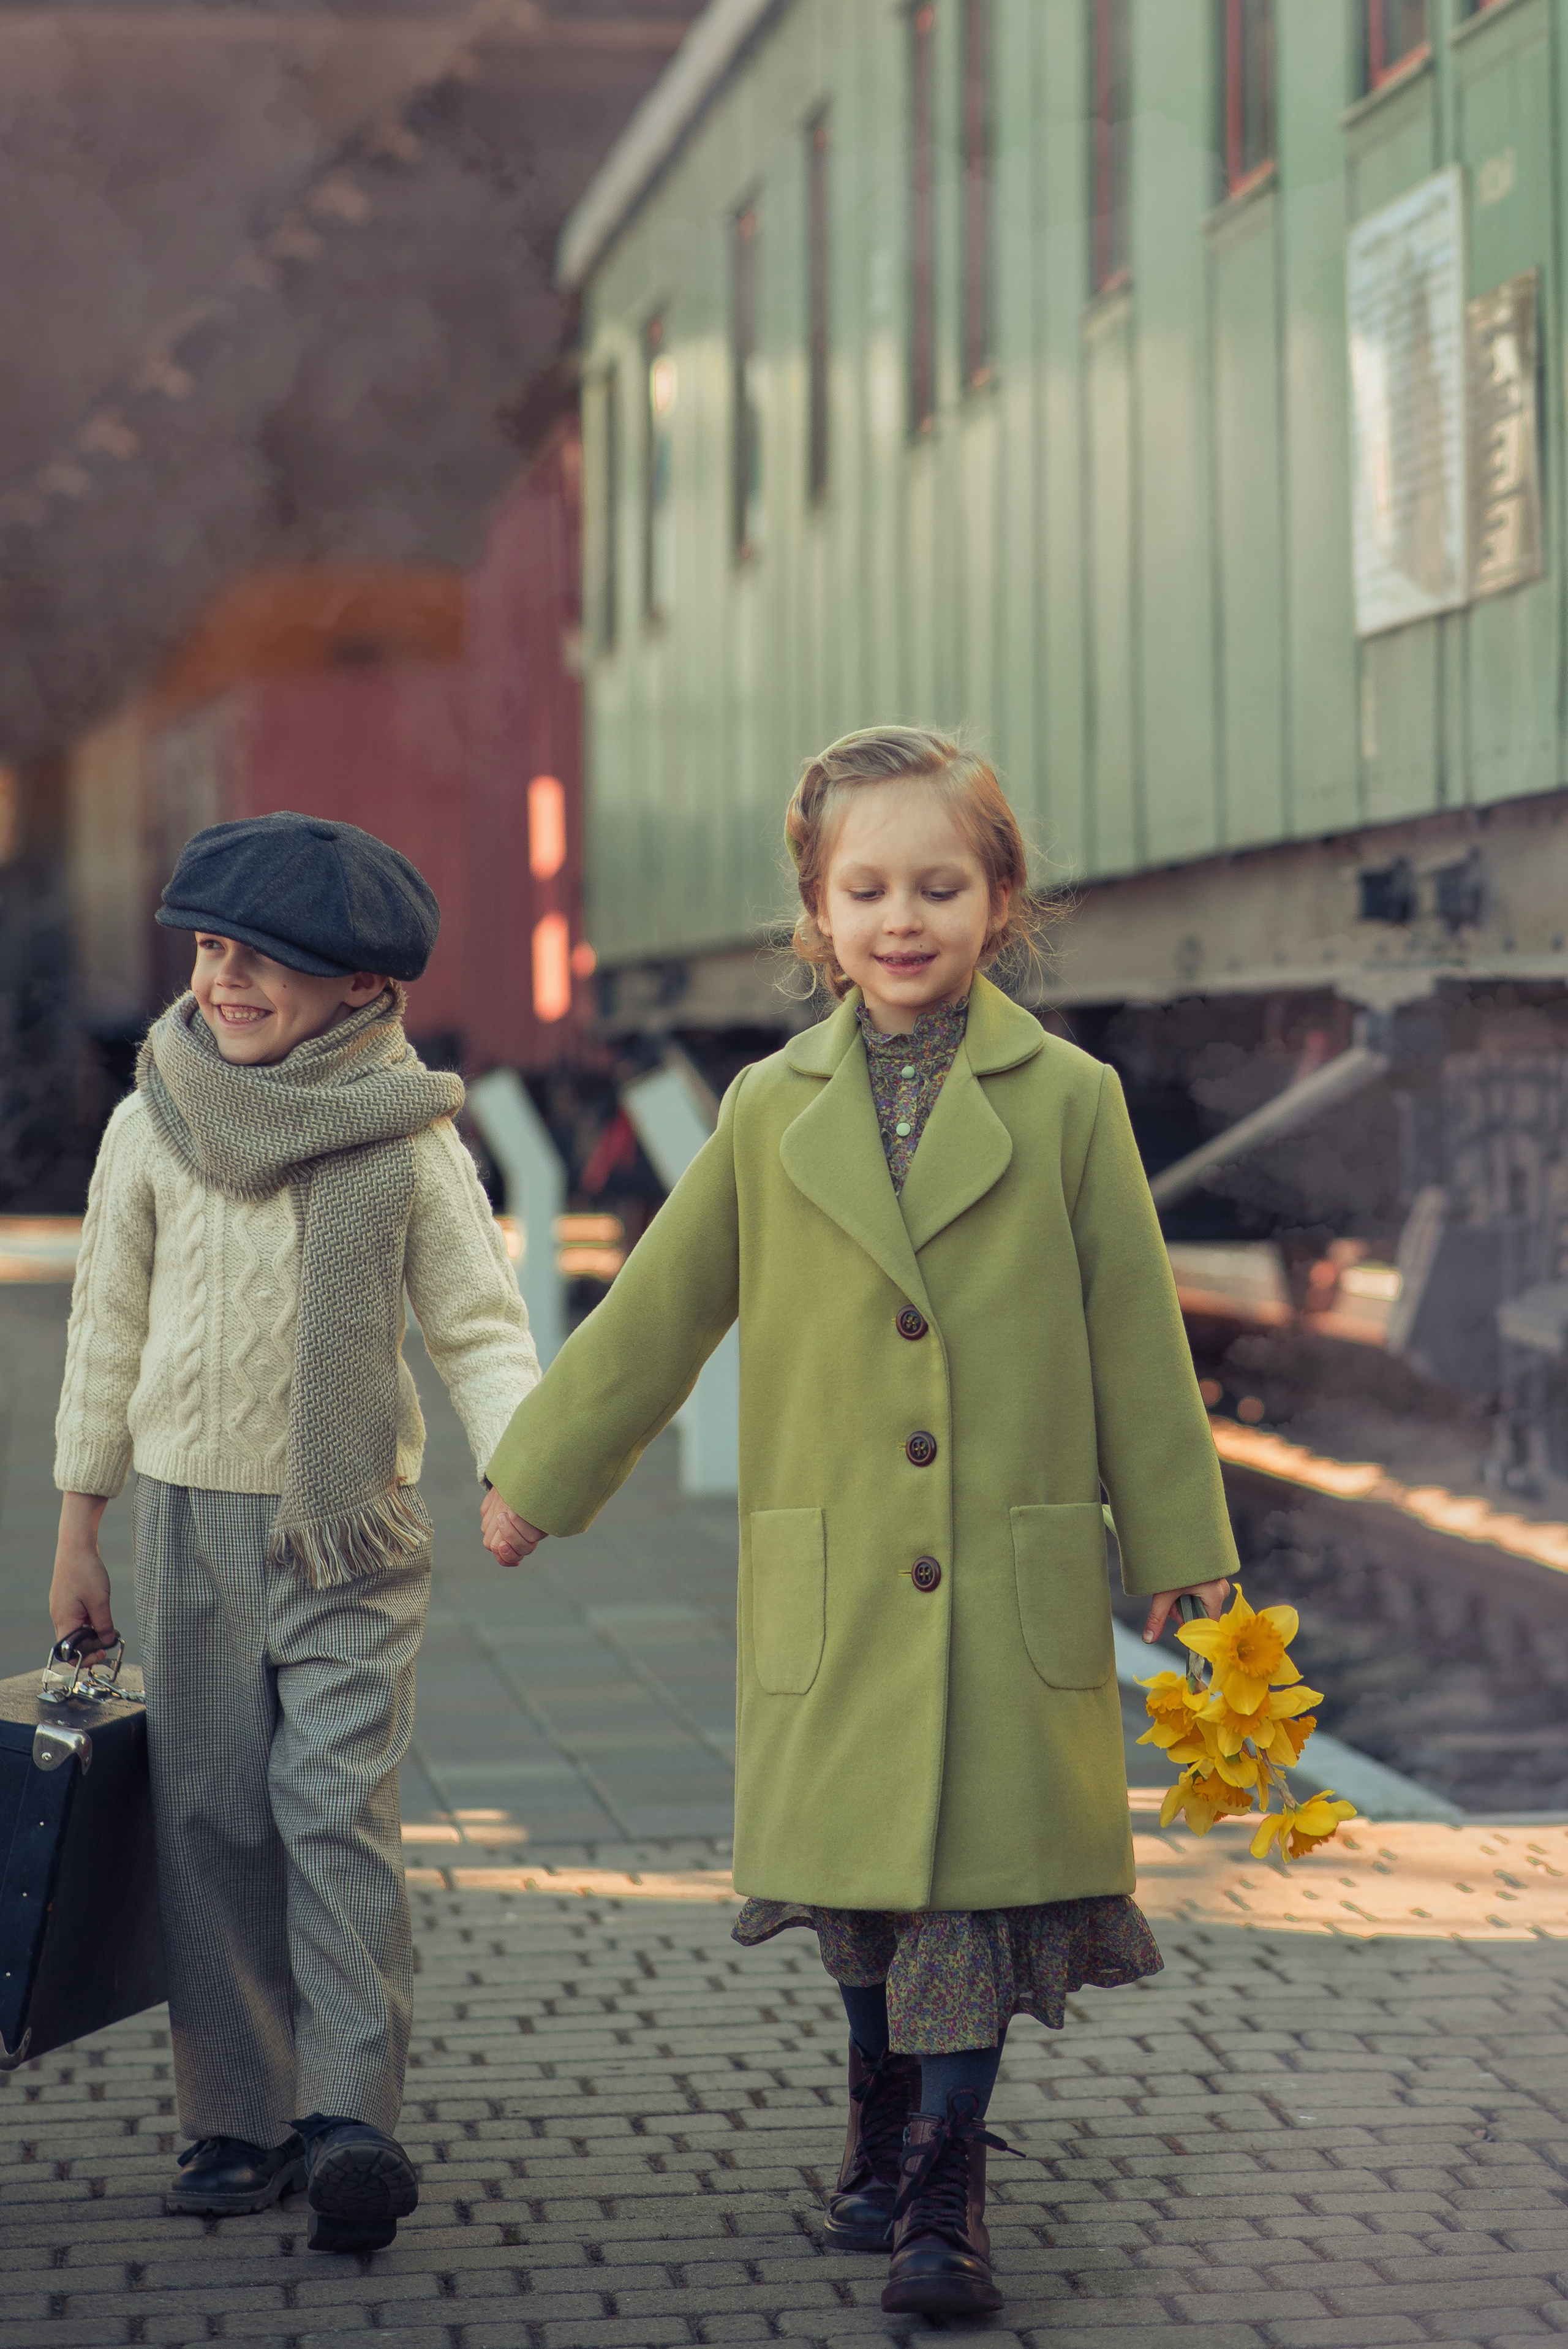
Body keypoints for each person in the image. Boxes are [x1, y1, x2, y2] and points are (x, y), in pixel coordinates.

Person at [479, 727, 1237, 2320]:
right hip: (835, 1591)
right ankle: (880, 2108)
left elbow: (1135, 1341)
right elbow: (657, 1314)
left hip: (995, 1589)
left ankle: (948, 2192)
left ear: (1001, 901)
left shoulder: (1074, 1102)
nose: (905, 918)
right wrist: (537, 1476)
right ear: (816, 916)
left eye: (940, 886)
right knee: (862, 1912)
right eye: (868, 888)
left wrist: (1187, 1550)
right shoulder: (768, 1107)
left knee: (965, 1899)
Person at [50, 812, 538, 2255]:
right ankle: (233, 2118)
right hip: (189, 1520)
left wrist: (524, 1475)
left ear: (358, 988)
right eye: (210, 950)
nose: (227, 982)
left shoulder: (409, 1135)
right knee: (209, 1819)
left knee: (333, 1811)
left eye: (267, 961)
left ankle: (345, 2121)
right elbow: (104, 1332)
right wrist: (79, 1525)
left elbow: (479, 1328)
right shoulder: (151, 1122)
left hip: (353, 1531)